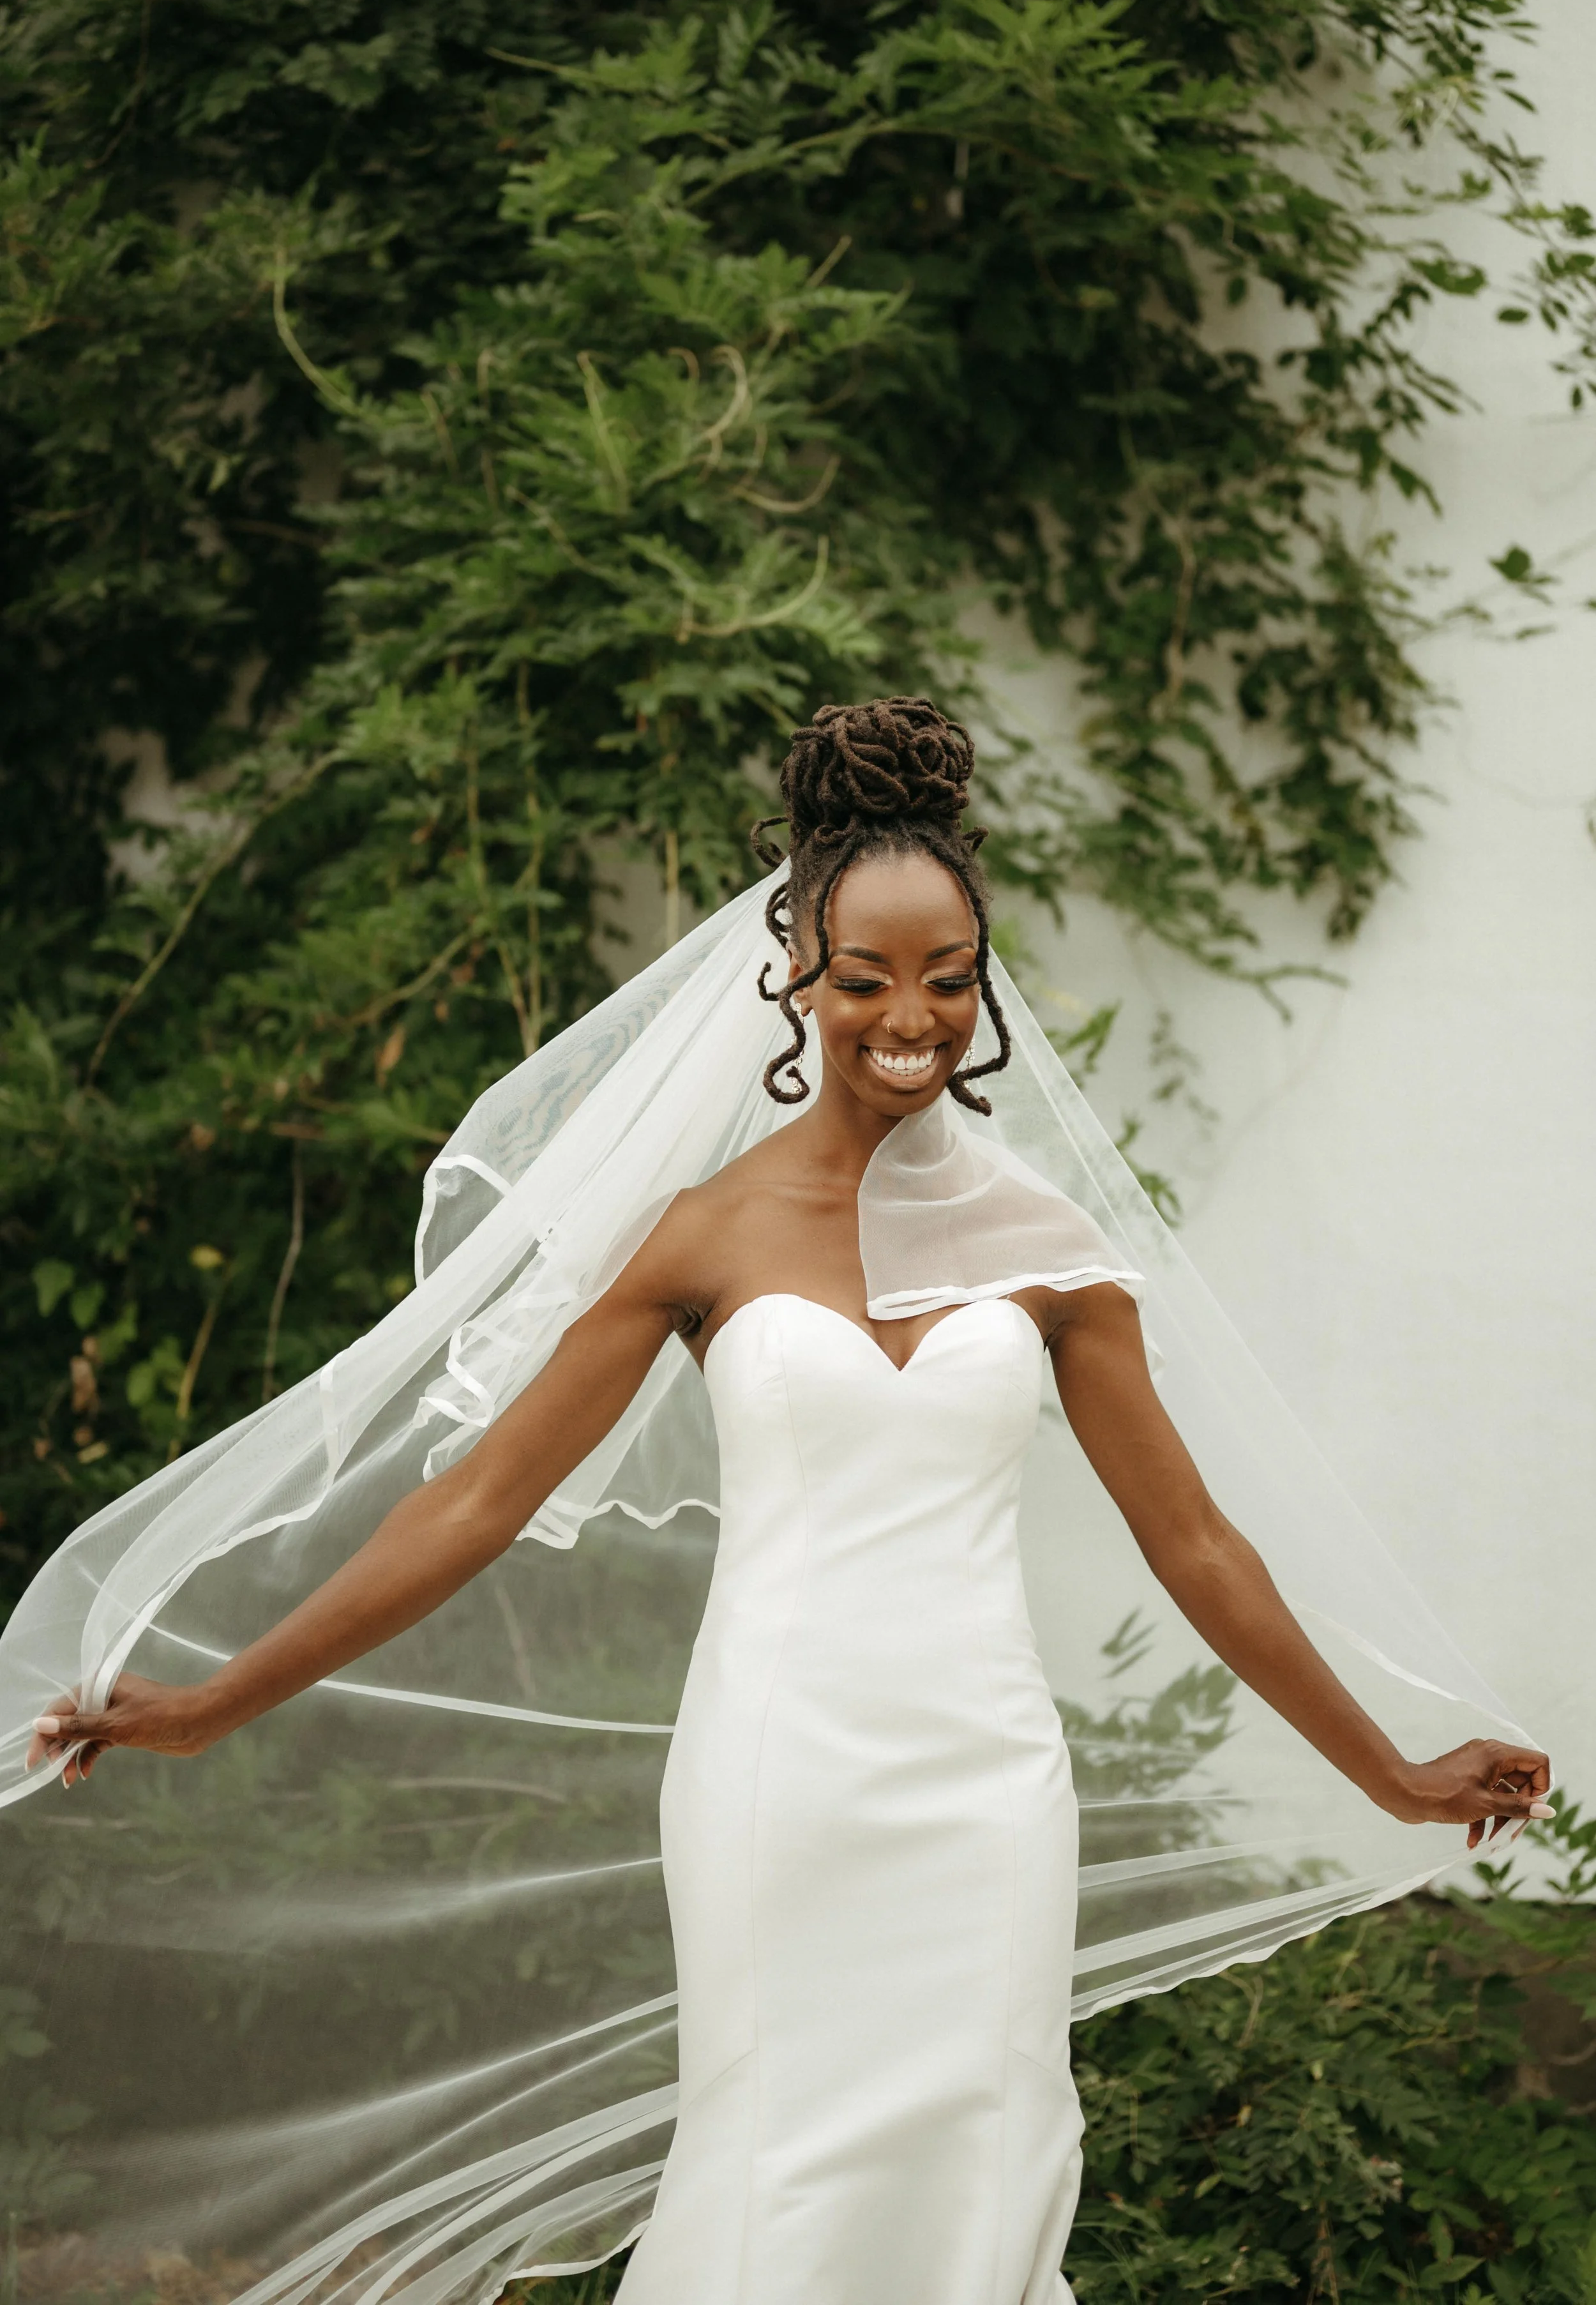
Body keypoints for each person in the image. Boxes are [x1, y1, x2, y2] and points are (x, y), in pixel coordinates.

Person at [24, 698, 1551, 2305]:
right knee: (777, 2174)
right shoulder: (701, 1235)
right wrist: (213, 1703)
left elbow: (1192, 1540)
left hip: (986, 1786)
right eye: (866, 977)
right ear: (797, 978)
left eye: (948, 977)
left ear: (986, 983)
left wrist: (1385, 1768)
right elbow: (473, 1503)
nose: (911, 1015)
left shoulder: (1048, 1246)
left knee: (990, 2140)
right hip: (779, 1777)